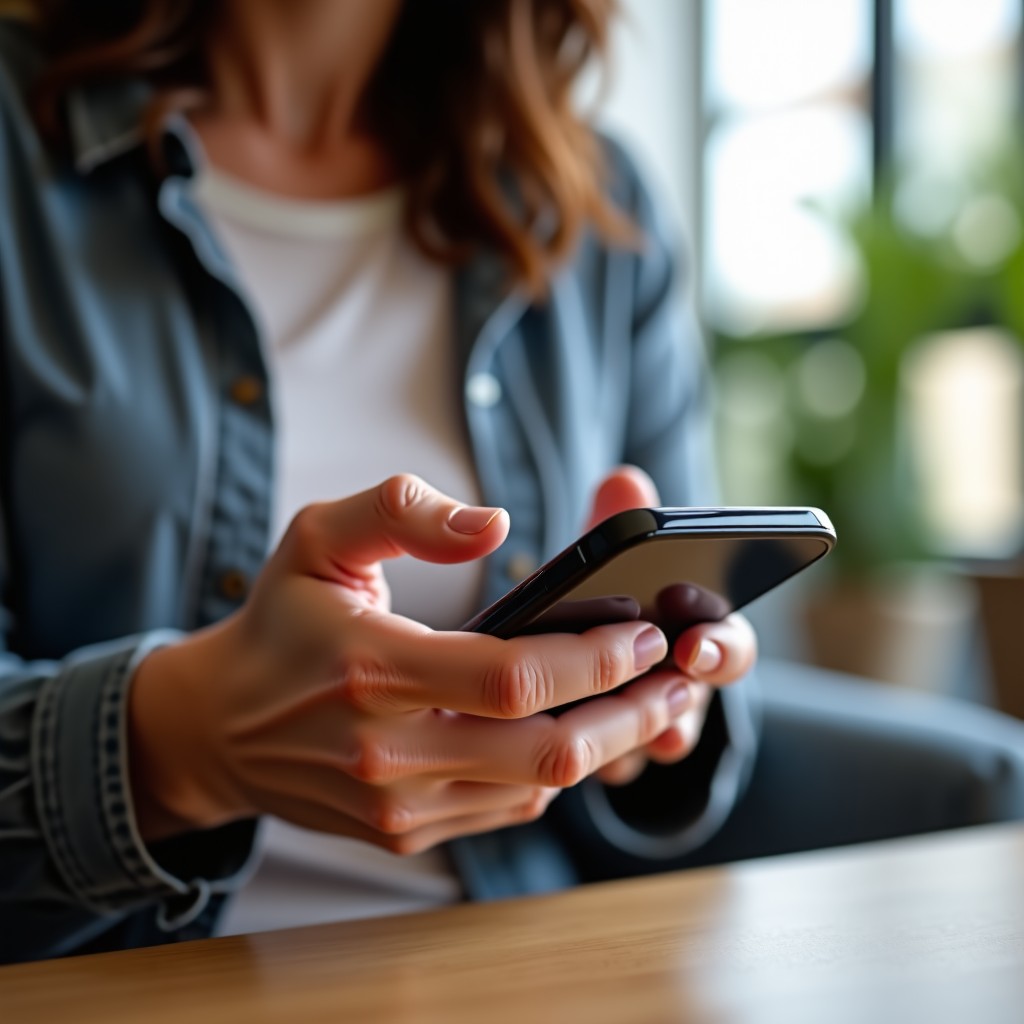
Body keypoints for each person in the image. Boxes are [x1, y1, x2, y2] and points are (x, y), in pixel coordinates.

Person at [1, 0, 1023, 964]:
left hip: (504, 960)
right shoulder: (20, 154)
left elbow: (683, 684)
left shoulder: (594, 202)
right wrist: (169, 745)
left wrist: (657, 711)